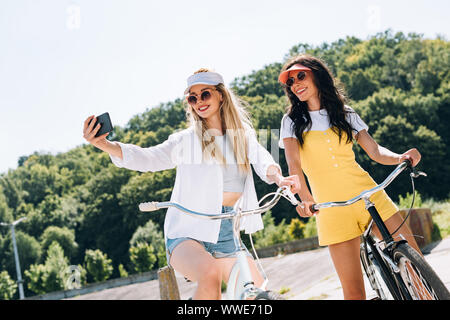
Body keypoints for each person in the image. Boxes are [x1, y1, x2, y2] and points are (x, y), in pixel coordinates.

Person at [83, 68, 300, 299]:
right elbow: (149, 158)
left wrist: (279, 178)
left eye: (205, 94)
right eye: (192, 98)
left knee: (256, 292)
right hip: (188, 230)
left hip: (227, 231)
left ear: (221, 95)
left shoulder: (242, 134)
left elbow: (262, 159)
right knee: (210, 275)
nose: (199, 102)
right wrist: (106, 145)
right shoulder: (187, 139)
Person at [277, 54, 422, 300]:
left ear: (316, 74)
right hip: (331, 209)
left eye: (300, 75)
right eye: (290, 81)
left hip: (369, 195)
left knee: (416, 269)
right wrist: (305, 199)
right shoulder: (291, 121)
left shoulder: (345, 113)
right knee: (354, 292)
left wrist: (400, 157)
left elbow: (375, 152)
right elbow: (294, 167)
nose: (295, 84)